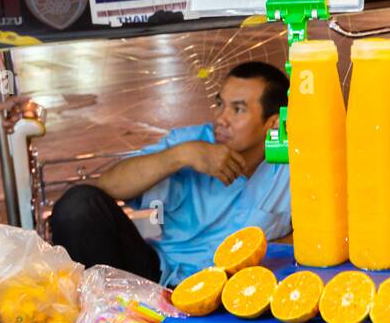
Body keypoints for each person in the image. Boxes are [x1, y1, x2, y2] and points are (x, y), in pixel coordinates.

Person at [50, 61, 292, 286]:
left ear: (272, 123)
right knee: (78, 206)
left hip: (242, 285)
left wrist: (260, 256)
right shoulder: (191, 142)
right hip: (161, 278)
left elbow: (317, 234)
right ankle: (104, 319)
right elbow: (107, 186)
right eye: (220, 104)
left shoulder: (295, 164)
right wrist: (181, 156)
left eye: (238, 110)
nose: (220, 118)